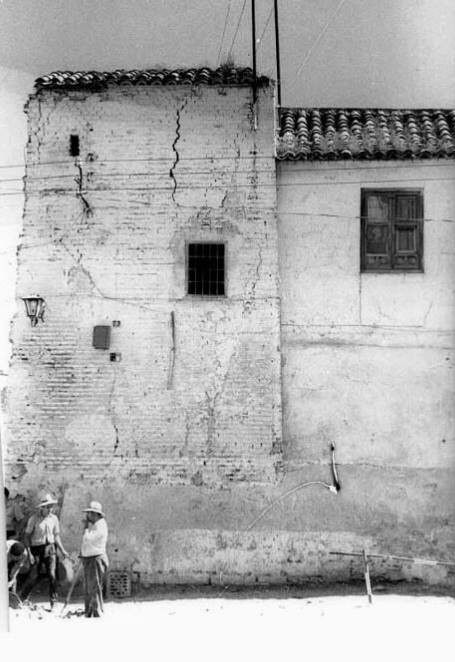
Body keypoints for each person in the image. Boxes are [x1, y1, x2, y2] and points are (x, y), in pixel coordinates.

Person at [22, 493, 69, 608]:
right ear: (42, 507)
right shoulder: (34, 519)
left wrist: (63, 550)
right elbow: (27, 536)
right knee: (34, 575)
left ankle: (53, 600)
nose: (50, 509)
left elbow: (56, 536)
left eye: (51, 506)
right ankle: (22, 597)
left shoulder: (54, 519)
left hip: (50, 548)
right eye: (47, 506)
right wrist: (29, 554)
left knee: (52, 575)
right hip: (36, 549)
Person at [81, 500, 109, 618]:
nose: (88, 516)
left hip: (95, 559)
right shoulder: (96, 525)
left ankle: (96, 611)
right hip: (90, 558)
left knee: (94, 586)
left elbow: (88, 539)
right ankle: (90, 610)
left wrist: (85, 528)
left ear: (96, 514)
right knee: (90, 586)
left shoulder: (100, 526)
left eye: (90, 513)